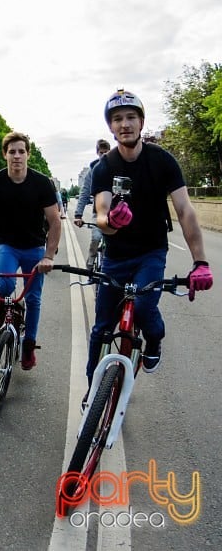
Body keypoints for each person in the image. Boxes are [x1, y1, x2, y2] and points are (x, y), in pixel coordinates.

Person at [86, 89, 212, 389]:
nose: (125, 124)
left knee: (143, 307)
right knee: (101, 328)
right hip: (115, 255)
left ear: (141, 122)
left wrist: (200, 261)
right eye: (117, 119)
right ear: (111, 127)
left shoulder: (163, 161)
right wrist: (111, 222)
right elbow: (101, 214)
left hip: (150, 253)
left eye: (131, 117)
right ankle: (92, 392)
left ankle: (154, 340)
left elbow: (184, 210)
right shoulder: (104, 167)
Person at [0, 131, 61, 371]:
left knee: (33, 298)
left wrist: (49, 256)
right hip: (8, 246)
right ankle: (2, 305)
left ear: (28, 154)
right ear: (4, 155)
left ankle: (28, 346)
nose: (16, 156)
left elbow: (55, 221)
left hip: (35, 248)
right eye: (12, 152)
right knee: (5, 286)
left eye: (21, 151)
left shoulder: (41, 183)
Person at [73, 139, 112, 269]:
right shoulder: (93, 171)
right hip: (99, 214)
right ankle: (91, 260)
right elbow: (84, 193)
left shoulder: (116, 167)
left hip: (115, 214)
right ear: (97, 153)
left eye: (107, 152)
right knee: (96, 237)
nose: (104, 155)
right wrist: (78, 215)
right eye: (101, 153)